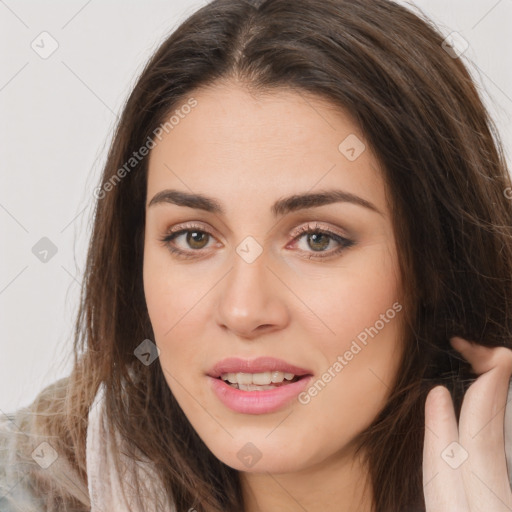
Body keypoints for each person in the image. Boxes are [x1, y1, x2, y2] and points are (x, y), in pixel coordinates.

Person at [1, 0, 512, 510]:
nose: (243, 311)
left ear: (437, 265)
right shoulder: (28, 484)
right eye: (194, 237)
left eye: (318, 239)